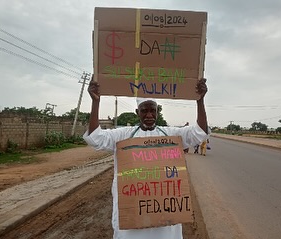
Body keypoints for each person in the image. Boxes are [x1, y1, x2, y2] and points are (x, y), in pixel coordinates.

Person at [83, 77, 208, 239]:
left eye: (153, 110)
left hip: (165, 221)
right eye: (144, 110)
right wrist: (95, 102)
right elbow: (95, 138)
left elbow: (200, 132)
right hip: (132, 217)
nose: (149, 115)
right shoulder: (123, 135)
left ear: (157, 112)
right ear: (137, 112)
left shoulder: (171, 134)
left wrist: (200, 100)